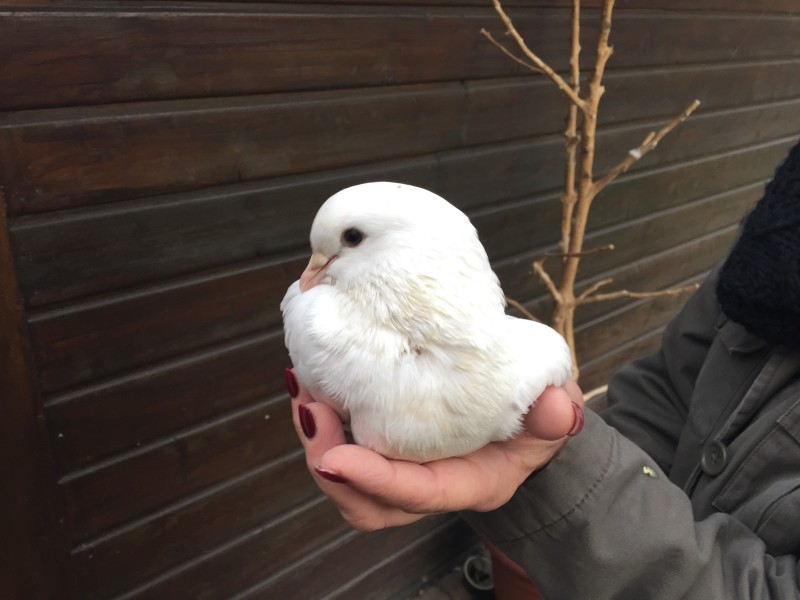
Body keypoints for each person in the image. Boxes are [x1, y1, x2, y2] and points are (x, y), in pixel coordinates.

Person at [284, 138, 800, 599]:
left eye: (347, 240)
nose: (312, 275)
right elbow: (672, 385)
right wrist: (554, 466)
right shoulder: (784, 226)